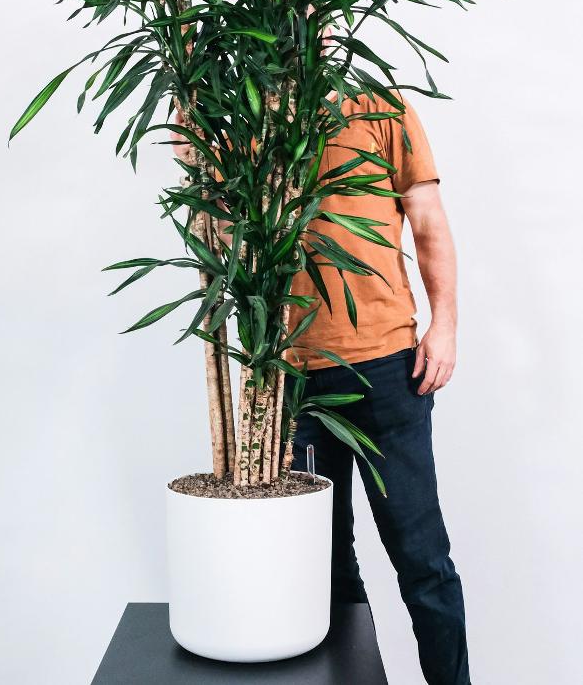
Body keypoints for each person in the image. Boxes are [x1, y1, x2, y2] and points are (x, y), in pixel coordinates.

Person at [169, 88, 470, 685]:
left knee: (423, 560)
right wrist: (195, 163)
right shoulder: (248, 120)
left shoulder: (380, 108)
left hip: (390, 367)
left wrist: (446, 326)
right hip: (292, 382)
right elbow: (236, 246)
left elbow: (428, 218)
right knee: (326, 568)